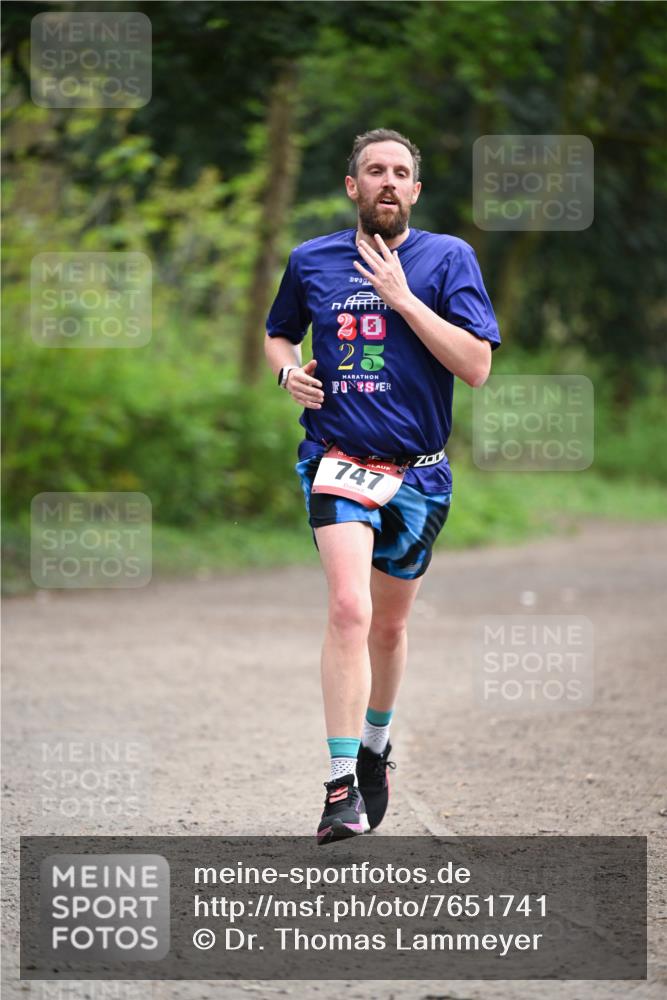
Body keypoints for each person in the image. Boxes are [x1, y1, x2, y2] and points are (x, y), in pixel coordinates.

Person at [264, 128, 501, 845]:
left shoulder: (448, 259)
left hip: (419, 473)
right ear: (353, 186)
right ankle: (341, 787)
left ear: (415, 191)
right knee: (348, 608)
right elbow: (278, 333)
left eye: (400, 172)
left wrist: (403, 299)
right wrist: (288, 372)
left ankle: (374, 746)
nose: (388, 181)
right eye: (375, 170)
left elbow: (475, 366)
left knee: (390, 629)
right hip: (336, 458)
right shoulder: (312, 260)